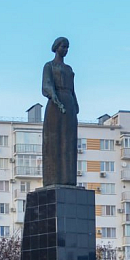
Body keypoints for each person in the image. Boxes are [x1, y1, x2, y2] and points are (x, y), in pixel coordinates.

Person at [42, 37, 79, 186]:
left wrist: (75, 104)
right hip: (55, 105)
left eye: (67, 47)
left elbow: (73, 90)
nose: (65, 50)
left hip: (68, 103)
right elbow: (46, 84)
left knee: (69, 141)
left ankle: (68, 179)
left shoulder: (69, 69)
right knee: (54, 141)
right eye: (63, 47)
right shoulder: (49, 66)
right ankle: (53, 179)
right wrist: (54, 97)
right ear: (56, 47)